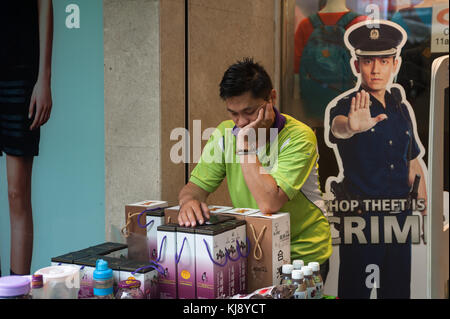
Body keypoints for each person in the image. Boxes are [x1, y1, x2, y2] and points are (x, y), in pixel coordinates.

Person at [177, 58, 333, 282]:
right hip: (254, 251)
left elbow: (269, 203)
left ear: (271, 98)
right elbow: (194, 188)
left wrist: (244, 147)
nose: (240, 122)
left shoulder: (300, 136)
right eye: (233, 113)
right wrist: (189, 202)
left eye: (249, 112)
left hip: (301, 258)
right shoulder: (223, 133)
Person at [326, 21, 427, 298]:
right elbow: (338, 127)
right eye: (368, 61)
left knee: (396, 291)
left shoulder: (400, 106)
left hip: (399, 220)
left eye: (383, 61)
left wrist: (425, 209)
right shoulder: (346, 105)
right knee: (355, 291)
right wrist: (352, 126)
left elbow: (412, 162)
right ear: (357, 65)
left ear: (395, 63)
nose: (376, 69)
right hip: (361, 221)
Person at [0, 0, 53, 276]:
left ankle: (16, 291)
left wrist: (43, 78)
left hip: (19, 73)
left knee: (17, 193)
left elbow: (45, 4)